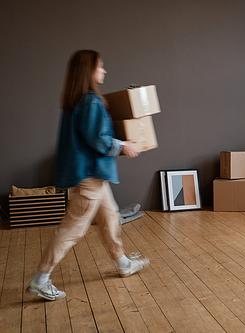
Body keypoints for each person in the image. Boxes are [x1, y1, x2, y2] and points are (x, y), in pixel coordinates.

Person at [27, 50, 149, 301]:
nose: (104, 71)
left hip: (91, 175)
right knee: (72, 229)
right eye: (100, 67)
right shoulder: (91, 101)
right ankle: (41, 279)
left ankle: (123, 262)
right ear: (88, 71)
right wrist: (123, 146)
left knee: (110, 217)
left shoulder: (76, 101)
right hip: (89, 177)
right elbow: (97, 139)